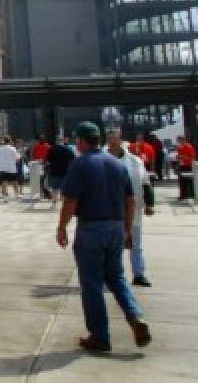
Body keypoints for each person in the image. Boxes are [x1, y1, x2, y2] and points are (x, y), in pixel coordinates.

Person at [56, 122, 151, 353]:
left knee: (91, 284)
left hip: (91, 228)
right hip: (116, 227)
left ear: (81, 140)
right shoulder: (118, 164)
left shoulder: (80, 164)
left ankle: (100, 336)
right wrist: (127, 229)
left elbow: (71, 200)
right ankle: (135, 316)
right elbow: (130, 200)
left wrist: (62, 227)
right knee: (117, 276)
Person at [105, 130, 154, 287]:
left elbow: (146, 183)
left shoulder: (135, 161)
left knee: (136, 244)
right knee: (113, 246)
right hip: (110, 211)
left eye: (115, 138)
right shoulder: (101, 160)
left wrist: (150, 204)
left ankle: (138, 274)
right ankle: (113, 276)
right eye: (109, 139)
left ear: (121, 140)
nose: (112, 142)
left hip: (135, 209)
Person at [46, 136, 76, 206]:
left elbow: (47, 160)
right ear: (63, 141)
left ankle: (54, 202)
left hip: (54, 171)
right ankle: (63, 204)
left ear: (57, 141)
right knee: (63, 189)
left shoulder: (52, 148)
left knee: (54, 188)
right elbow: (73, 160)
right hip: (65, 172)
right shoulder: (69, 149)